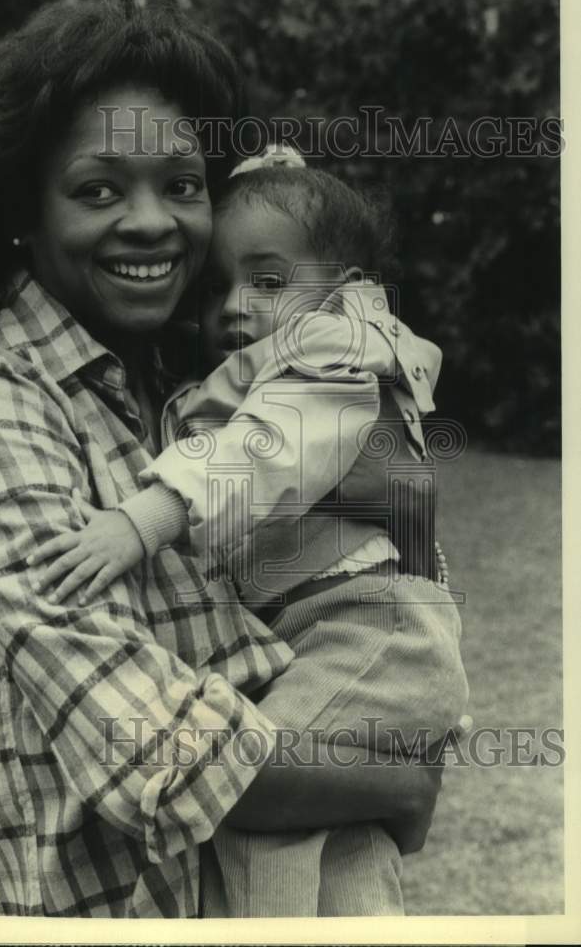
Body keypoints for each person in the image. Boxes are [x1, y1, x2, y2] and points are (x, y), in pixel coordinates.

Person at [0, 0, 456, 918]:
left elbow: (364, 533)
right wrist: (393, 783)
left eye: (183, 185)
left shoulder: (159, 378)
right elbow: (156, 747)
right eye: (100, 189)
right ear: (21, 213)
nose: (154, 223)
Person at [24, 148, 469, 915]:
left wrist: (140, 522)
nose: (232, 306)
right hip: (348, 636)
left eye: (266, 282)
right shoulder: (254, 364)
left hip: (364, 633)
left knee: (261, 799)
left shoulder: (329, 354)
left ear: (347, 291)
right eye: (217, 287)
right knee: (340, 834)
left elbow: (263, 452)